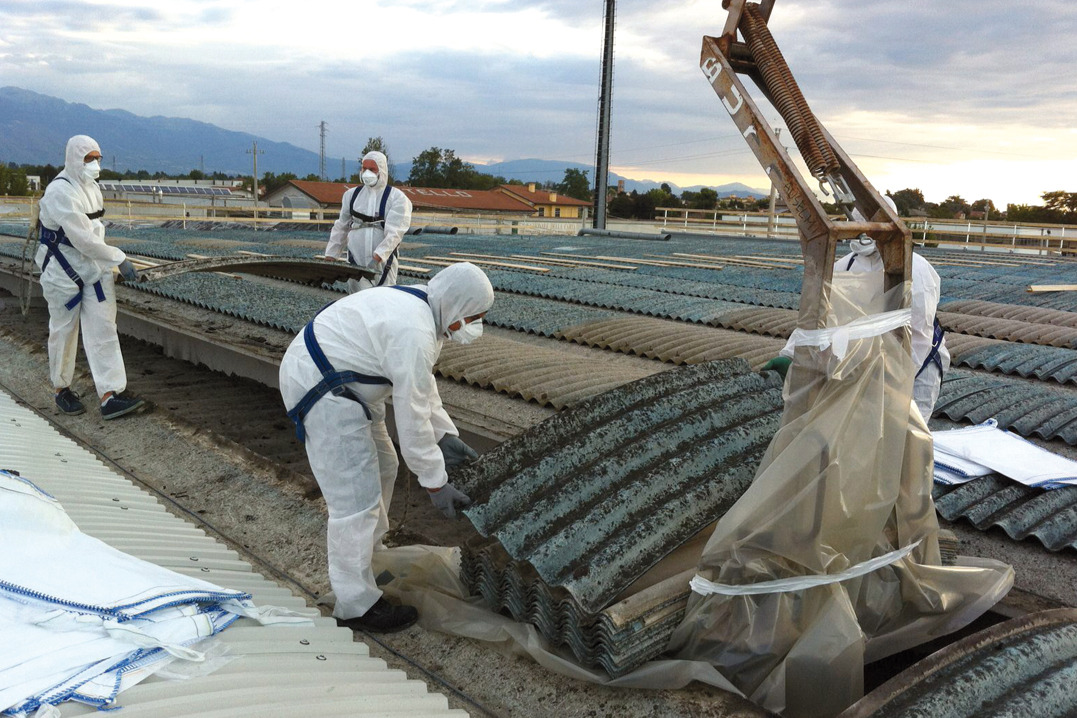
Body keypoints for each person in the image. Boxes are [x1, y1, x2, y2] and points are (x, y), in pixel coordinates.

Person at [279, 262, 493, 632]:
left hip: (345, 381)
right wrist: (435, 482)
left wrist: (444, 435)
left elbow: (422, 388)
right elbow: (411, 418)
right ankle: (356, 606)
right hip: (322, 388)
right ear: (456, 304)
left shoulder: (426, 308)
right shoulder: (415, 330)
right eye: (473, 317)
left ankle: (371, 560)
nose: (475, 326)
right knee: (355, 500)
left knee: (384, 466)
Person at [36, 135, 145, 420]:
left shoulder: (93, 188)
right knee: (64, 331)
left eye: (98, 158)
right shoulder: (60, 191)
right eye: (89, 158)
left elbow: (95, 233)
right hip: (62, 270)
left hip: (93, 268)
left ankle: (110, 395)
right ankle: (62, 389)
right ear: (74, 158)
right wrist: (118, 258)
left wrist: (107, 260)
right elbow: (82, 239)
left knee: (104, 329)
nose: (95, 164)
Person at [834, 197, 949, 419]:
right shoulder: (845, 266)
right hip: (869, 363)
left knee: (908, 431)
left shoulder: (914, 267)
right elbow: (829, 318)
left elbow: (919, 335)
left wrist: (894, 379)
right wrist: (793, 354)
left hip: (917, 368)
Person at [324, 150, 412, 293]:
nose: (367, 173)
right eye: (364, 168)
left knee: (383, 299)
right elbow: (341, 227)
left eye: (372, 169)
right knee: (358, 301)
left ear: (382, 171)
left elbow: (395, 233)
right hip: (355, 262)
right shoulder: (351, 196)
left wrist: (377, 257)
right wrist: (331, 256)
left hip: (383, 264)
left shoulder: (396, 198)